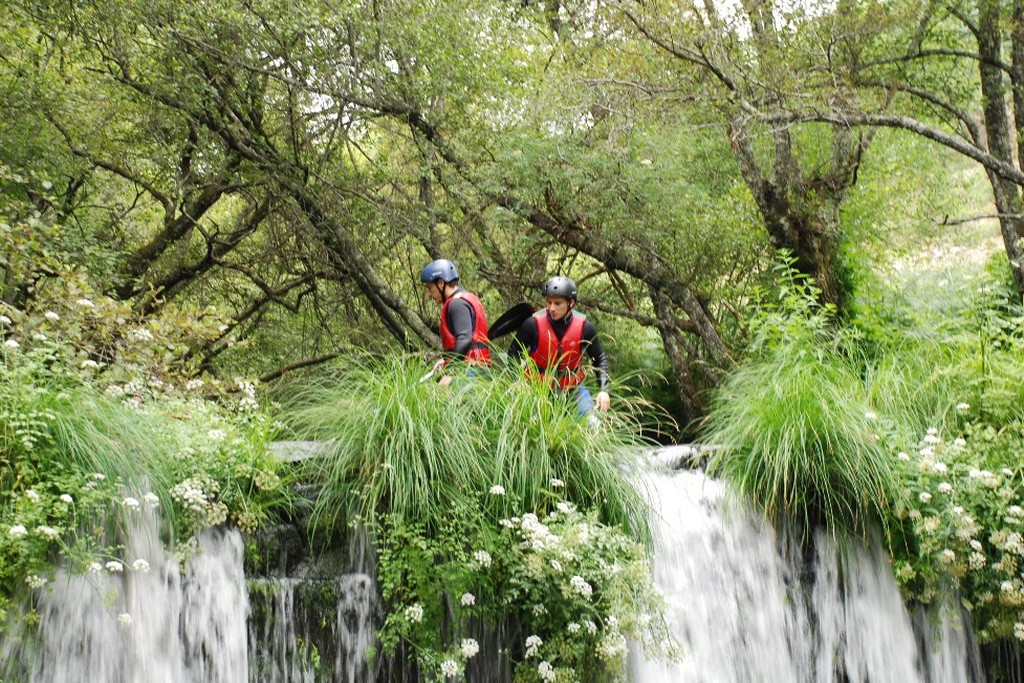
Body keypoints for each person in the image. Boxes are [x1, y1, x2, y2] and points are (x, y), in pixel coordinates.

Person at [507, 276, 610, 417]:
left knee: (593, 424)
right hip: (537, 386)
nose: (551, 308)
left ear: (571, 302)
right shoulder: (532, 324)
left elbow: (599, 358)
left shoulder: (585, 327)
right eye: (549, 302)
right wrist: (517, 381)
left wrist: (604, 390)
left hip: (572, 387)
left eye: (557, 303)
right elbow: (513, 353)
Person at [420, 259, 491, 381]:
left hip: (470, 371)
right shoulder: (466, 299)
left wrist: (450, 371)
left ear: (441, 283)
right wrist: (446, 360)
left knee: (440, 396)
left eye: (430, 288)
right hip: (478, 368)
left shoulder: (456, 304)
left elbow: (464, 339)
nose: (429, 294)